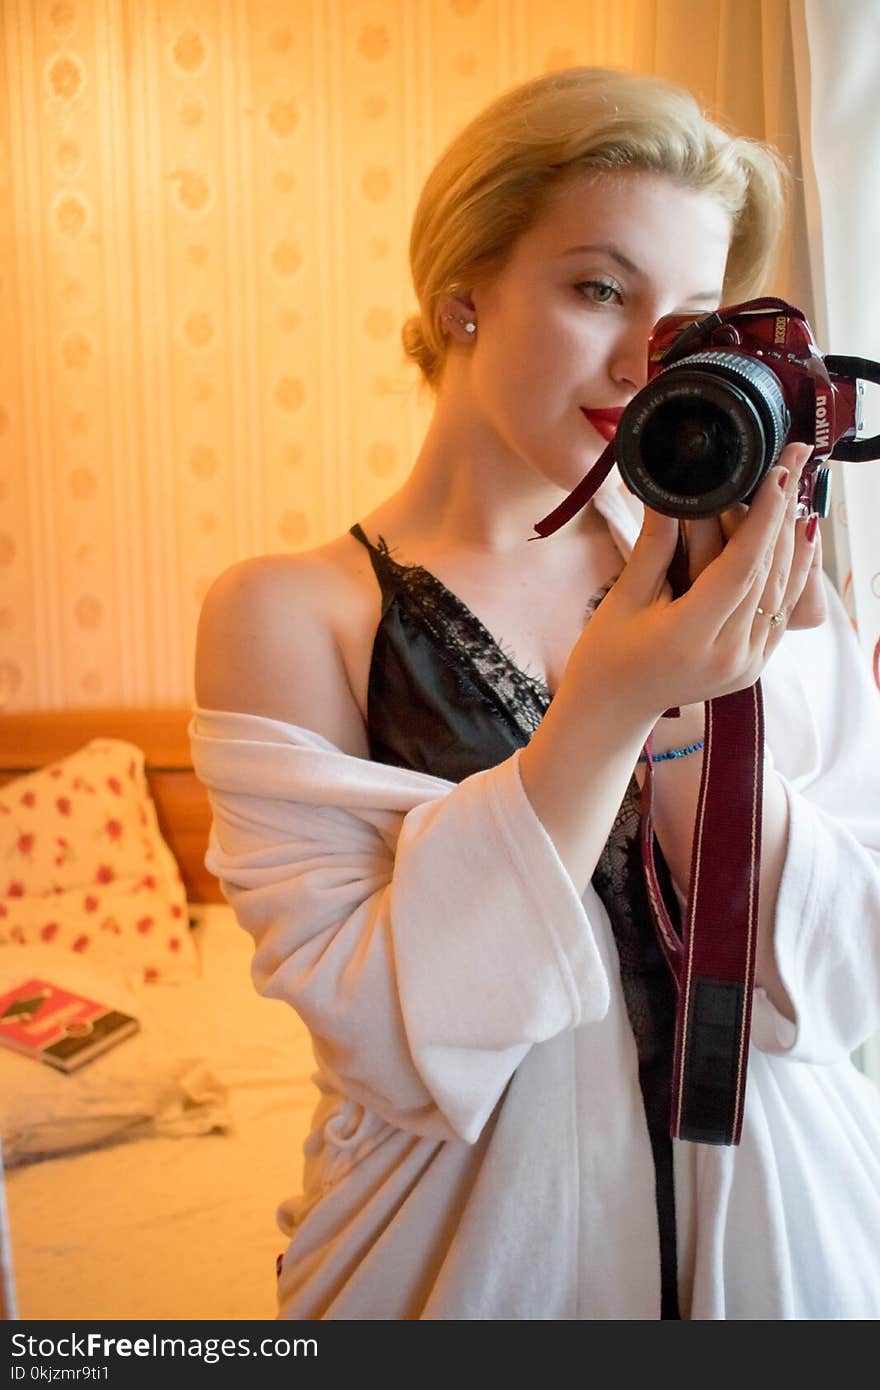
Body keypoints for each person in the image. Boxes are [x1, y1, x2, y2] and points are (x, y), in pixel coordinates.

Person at [190, 67, 880, 1319]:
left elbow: (848, 978)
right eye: (596, 287)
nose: (641, 357)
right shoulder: (294, 615)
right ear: (461, 295)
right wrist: (608, 706)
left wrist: (692, 719)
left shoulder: (745, 571)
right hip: (468, 1256)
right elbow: (389, 1043)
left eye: (689, 317)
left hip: (797, 1239)